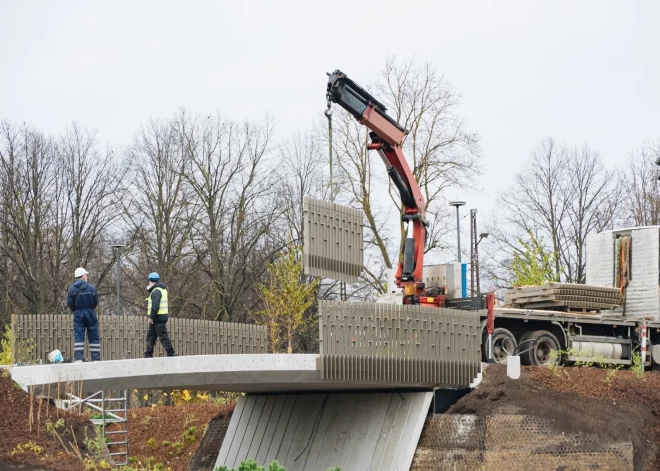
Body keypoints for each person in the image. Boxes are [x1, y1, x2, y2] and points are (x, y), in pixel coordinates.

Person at [66, 267, 100, 362]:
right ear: (83, 276)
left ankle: (78, 358)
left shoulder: (72, 289)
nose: (87, 276)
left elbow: (69, 302)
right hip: (90, 313)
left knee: (79, 335)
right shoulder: (91, 288)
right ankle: (96, 359)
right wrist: (90, 308)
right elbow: (95, 301)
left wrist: (75, 309)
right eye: (86, 274)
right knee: (93, 335)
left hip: (78, 313)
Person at [144, 272, 176, 357]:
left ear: (150, 281)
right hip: (158, 318)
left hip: (158, 318)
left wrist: (151, 317)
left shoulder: (156, 291)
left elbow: (155, 305)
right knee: (150, 337)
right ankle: (147, 355)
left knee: (163, 337)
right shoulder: (162, 289)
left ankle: (171, 354)